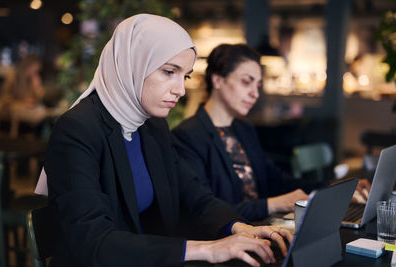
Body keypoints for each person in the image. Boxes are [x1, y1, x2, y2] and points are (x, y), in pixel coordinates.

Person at [34, 15, 293, 267]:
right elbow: (93, 242)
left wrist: (238, 227)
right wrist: (208, 249)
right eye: (169, 72)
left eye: (185, 76)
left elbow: (193, 193)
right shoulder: (77, 129)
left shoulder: (151, 125)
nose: (179, 89)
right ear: (132, 64)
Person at [172, 43, 371, 222]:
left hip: (262, 229)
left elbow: (277, 181)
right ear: (217, 80)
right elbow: (204, 213)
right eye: (246, 82)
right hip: (224, 242)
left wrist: (335, 188)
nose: (255, 93)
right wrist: (273, 204)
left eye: (258, 85)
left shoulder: (244, 129)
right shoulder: (187, 136)